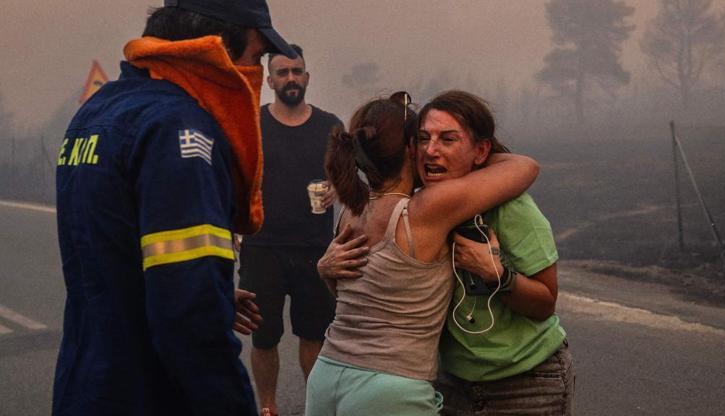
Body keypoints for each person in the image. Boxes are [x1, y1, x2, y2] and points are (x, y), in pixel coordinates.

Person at [53, 1, 295, 415]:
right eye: (256, 58)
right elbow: (190, 321)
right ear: (215, 50)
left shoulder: (99, 110)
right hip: (147, 392)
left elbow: (116, 258)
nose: (256, 74)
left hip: (86, 383)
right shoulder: (179, 130)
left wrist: (210, 289)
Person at [319, 90, 572, 415]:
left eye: (447, 139)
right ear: (410, 150)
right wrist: (328, 270)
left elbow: (545, 304)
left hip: (524, 382)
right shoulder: (416, 207)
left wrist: (499, 276)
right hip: (452, 384)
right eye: (423, 139)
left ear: (481, 150)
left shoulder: (511, 207)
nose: (431, 151)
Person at [238, 44, 342, 416]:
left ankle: (314, 408)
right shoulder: (253, 122)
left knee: (314, 334)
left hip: (315, 249)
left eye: (297, 71)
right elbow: (235, 175)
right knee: (263, 336)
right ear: (270, 81)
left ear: (307, 77)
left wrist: (338, 187)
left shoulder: (330, 126)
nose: (291, 79)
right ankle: (268, 408)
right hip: (261, 245)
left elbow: (349, 178)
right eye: (283, 73)